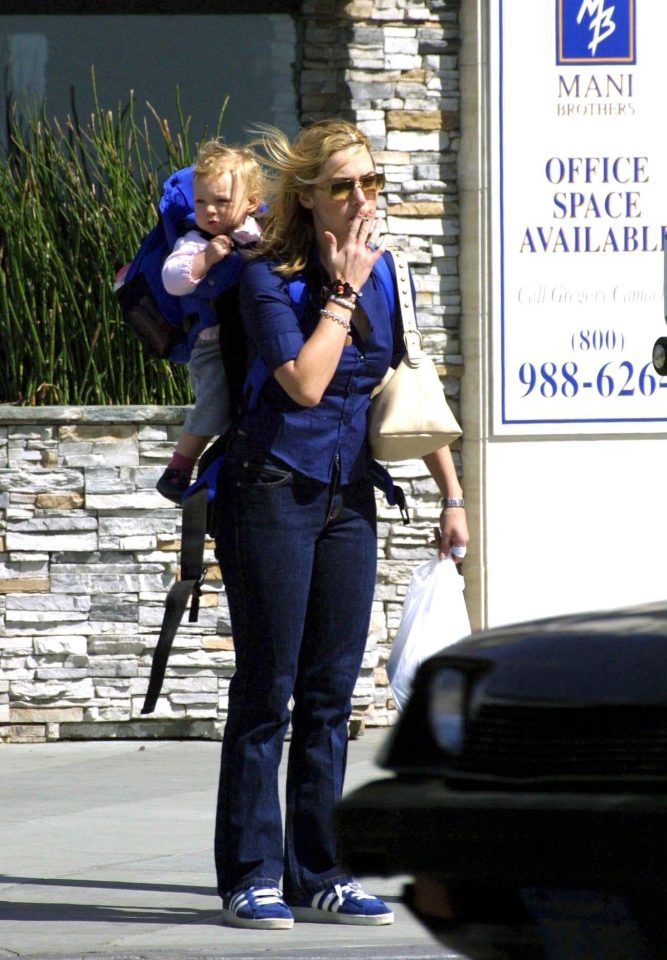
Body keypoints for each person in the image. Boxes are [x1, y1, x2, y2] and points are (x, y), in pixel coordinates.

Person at [212, 118, 469, 930]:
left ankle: (316, 870)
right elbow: (305, 385)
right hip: (270, 489)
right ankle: (250, 874)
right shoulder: (264, 276)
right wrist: (343, 288)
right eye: (342, 186)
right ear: (306, 197)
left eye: (371, 183)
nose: (361, 199)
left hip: (348, 493)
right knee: (268, 690)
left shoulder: (391, 271)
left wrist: (451, 497)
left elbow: (404, 384)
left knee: (330, 694)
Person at [155, 140, 264, 503]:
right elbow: (174, 279)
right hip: (213, 343)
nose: (210, 211)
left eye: (221, 201)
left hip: (251, 340)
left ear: (250, 202)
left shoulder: (260, 233)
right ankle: (179, 465)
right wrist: (205, 260)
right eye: (201, 202)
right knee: (214, 404)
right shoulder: (194, 239)